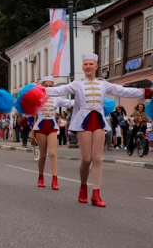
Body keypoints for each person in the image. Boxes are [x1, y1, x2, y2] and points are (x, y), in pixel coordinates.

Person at [45, 54, 153, 207]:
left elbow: (124, 91)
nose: (88, 66)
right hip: (83, 122)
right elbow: (59, 90)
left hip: (99, 121)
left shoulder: (104, 84)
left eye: (91, 64)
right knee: (86, 159)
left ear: (96, 66)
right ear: (83, 67)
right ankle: (83, 187)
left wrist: (146, 92)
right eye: (85, 64)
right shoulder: (77, 84)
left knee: (97, 159)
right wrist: (38, 91)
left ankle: (96, 193)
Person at [33, 76, 74, 190]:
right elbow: (28, 111)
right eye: (46, 86)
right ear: (42, 86)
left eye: (50, 86)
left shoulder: (56, 98)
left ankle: (55, 179)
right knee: (42, 154)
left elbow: (70, 102)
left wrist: (83, 99)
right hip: (40, 128)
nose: (48, 88)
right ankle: (41, 177)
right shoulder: (36, 98)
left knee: (52, 153)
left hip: (52, 127)